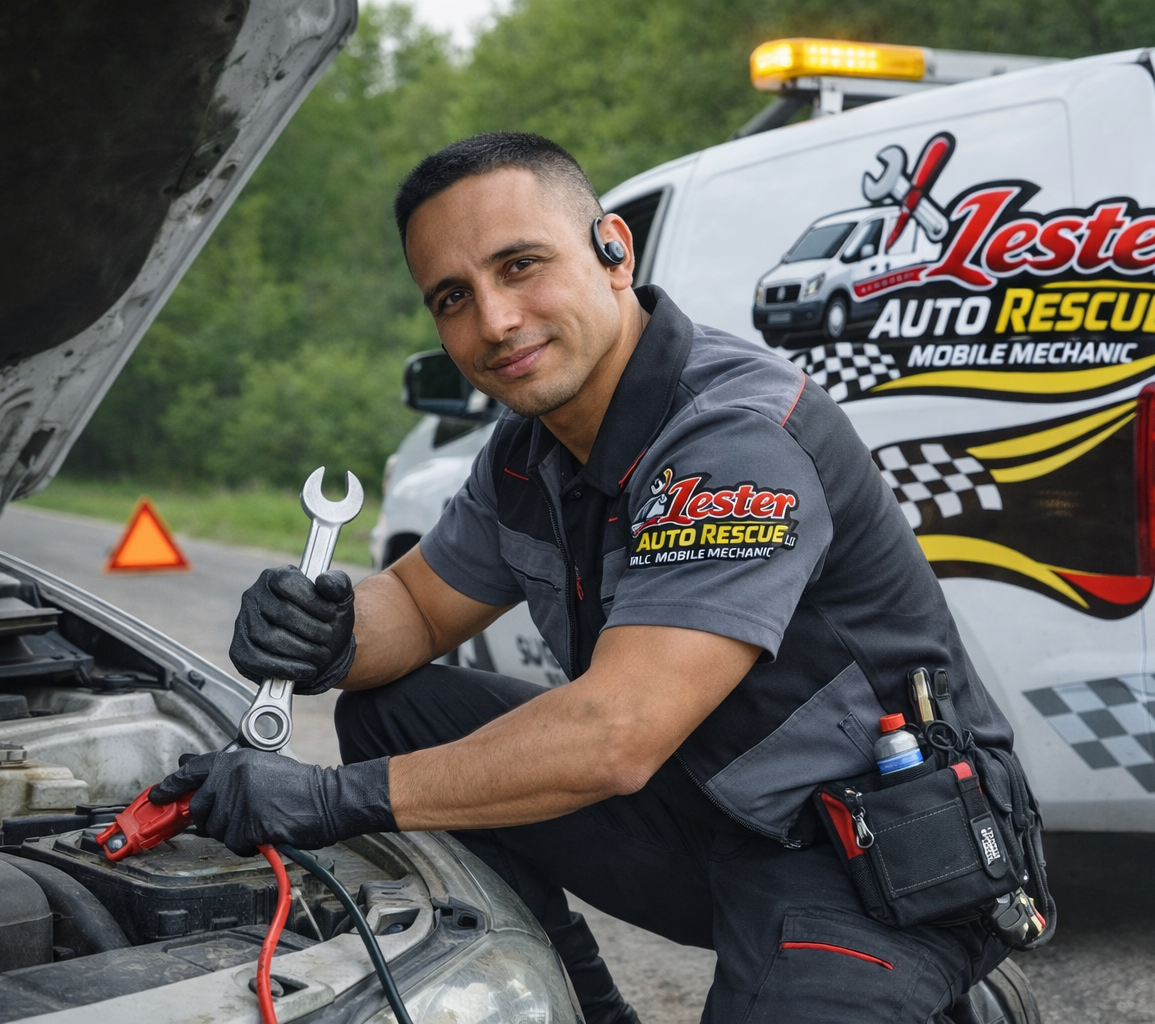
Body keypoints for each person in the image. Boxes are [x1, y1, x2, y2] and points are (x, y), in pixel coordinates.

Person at [152, 131, 1018, 1024]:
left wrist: (327, 800)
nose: (493, 322)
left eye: (520, 265)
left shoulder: (732, 438)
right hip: (700, 821)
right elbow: (416, 602)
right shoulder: (532, 451)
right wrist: (326, 632)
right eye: (453, 298)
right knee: (392, 712)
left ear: (614, 250)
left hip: (872, 853)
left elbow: (615, 733)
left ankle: (948, 996)